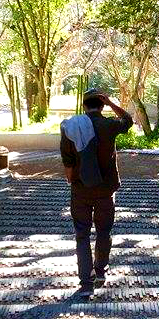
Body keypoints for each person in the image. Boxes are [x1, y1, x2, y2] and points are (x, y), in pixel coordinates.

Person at [60, 88, 134, 296]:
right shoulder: (109, 125)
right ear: (101, 105)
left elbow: (67, 160)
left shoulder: (71, 126)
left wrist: (72, 181)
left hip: (80, 189)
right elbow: (128, 120)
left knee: (82, 234)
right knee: (103, 231)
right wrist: (111, 103)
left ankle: (86, 282)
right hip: (105, 190)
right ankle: (100, 272)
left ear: (84, 106)